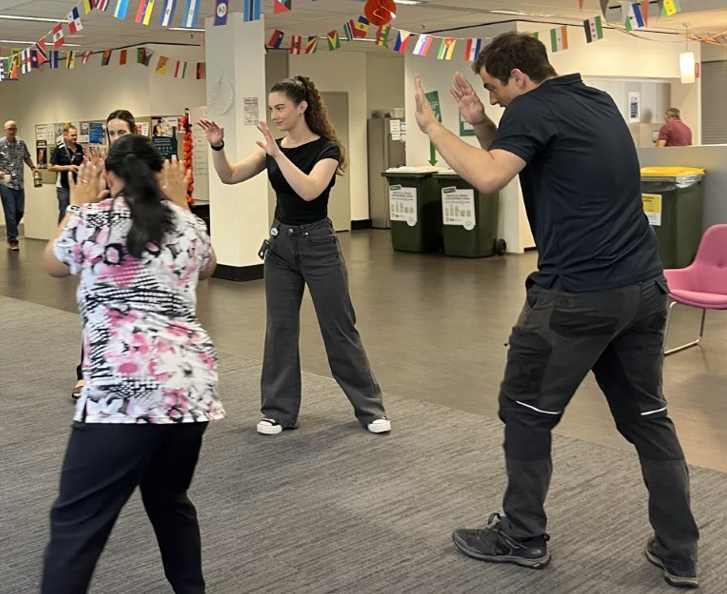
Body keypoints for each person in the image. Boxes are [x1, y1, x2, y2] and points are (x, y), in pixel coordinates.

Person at [412, 32, 699, 588]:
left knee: (524, 411)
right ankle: (679, 550)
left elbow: (490, 176)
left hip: (575, 297)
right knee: (646, 417)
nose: (492, 99)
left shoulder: (533, 108)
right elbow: (525, 156)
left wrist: (434, 127)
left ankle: (522, 537)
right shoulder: (593, 100)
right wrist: (479, 124)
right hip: (642, 289)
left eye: (494, 89)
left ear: (518, 77)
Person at [41, 135, 222, 594]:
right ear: (159, 174)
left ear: (109, 177)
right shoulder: (185, 223)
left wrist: (75, 205)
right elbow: (209, 266)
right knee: (169, 499)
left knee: (76, 524)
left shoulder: (90, 219)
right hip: (189, 389)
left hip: (123, 391)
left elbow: (52, 264)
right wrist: (183, 205)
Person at [196, 76, 391, 437]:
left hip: (318, 244)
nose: (275, 114)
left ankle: (370, 408)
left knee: (339, 328)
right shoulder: (274, 147)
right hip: (281, 246)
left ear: (302, 107)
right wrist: (218, 146)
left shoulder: (327, 150)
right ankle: (278, 412)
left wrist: (277, 154)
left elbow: (309, 190)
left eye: (280, 108)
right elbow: (230, 176)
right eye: (272, 109)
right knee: (280, 330)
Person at [70, 109, 138, 402]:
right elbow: (94, 199)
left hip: (136, 245)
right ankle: (86, 375)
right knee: (96, 310)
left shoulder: (146, 163)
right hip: (106, 245)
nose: (116, 137)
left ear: (134, 131)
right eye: (111, 132)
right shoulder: (105, 164)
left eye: (121, 132)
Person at [0, 120, 38, 251]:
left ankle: (11, 229)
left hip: (19, 182)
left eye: (14, 129)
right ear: (5, 130)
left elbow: (26, 157)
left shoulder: (21, 143)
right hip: (5, 183)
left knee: (19, 211)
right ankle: (13, 240)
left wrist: (33, 167)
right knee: (10, 212)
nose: (12, 131)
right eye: (9, 129)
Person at [49, 124, 85, 222]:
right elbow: (50, 167)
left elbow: (82, 161)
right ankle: (61, 236)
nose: (75, 137)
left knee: (77, 212)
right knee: (64, 213)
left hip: (77, 186)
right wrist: (68, 167)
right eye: (72, 135)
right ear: (65, 136)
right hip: (63, 187)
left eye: (76, 135)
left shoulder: (79, 148)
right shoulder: (60, 149)